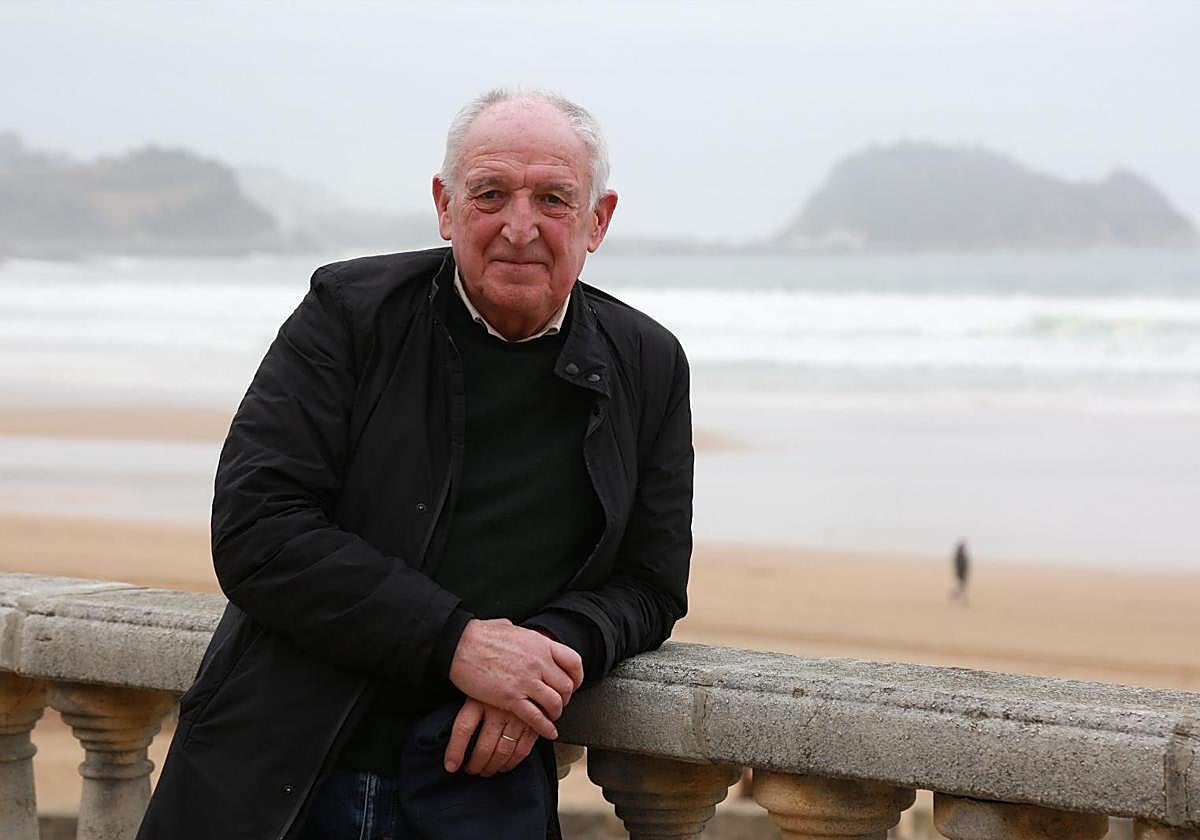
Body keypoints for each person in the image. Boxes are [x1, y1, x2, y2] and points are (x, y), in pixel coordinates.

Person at [136, 89, 693, 840]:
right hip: (278, 771)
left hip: (479, 795)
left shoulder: (648, 364)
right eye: (490, 193)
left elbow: (651, 585)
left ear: (598, 219)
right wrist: (459, 644)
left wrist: (549, 653)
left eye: (554, 199)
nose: (519, 226)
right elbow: (257, 528)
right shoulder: (348, 313)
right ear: (444, 205)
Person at [951, 539, 970, 604]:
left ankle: (956, 596)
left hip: (962, 573)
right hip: (961, 573)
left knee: (961, 587)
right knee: (962, 587)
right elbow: (959, 565)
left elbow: (965, 565)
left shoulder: (960, 555)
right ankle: (963, 599)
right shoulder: (959, 555)